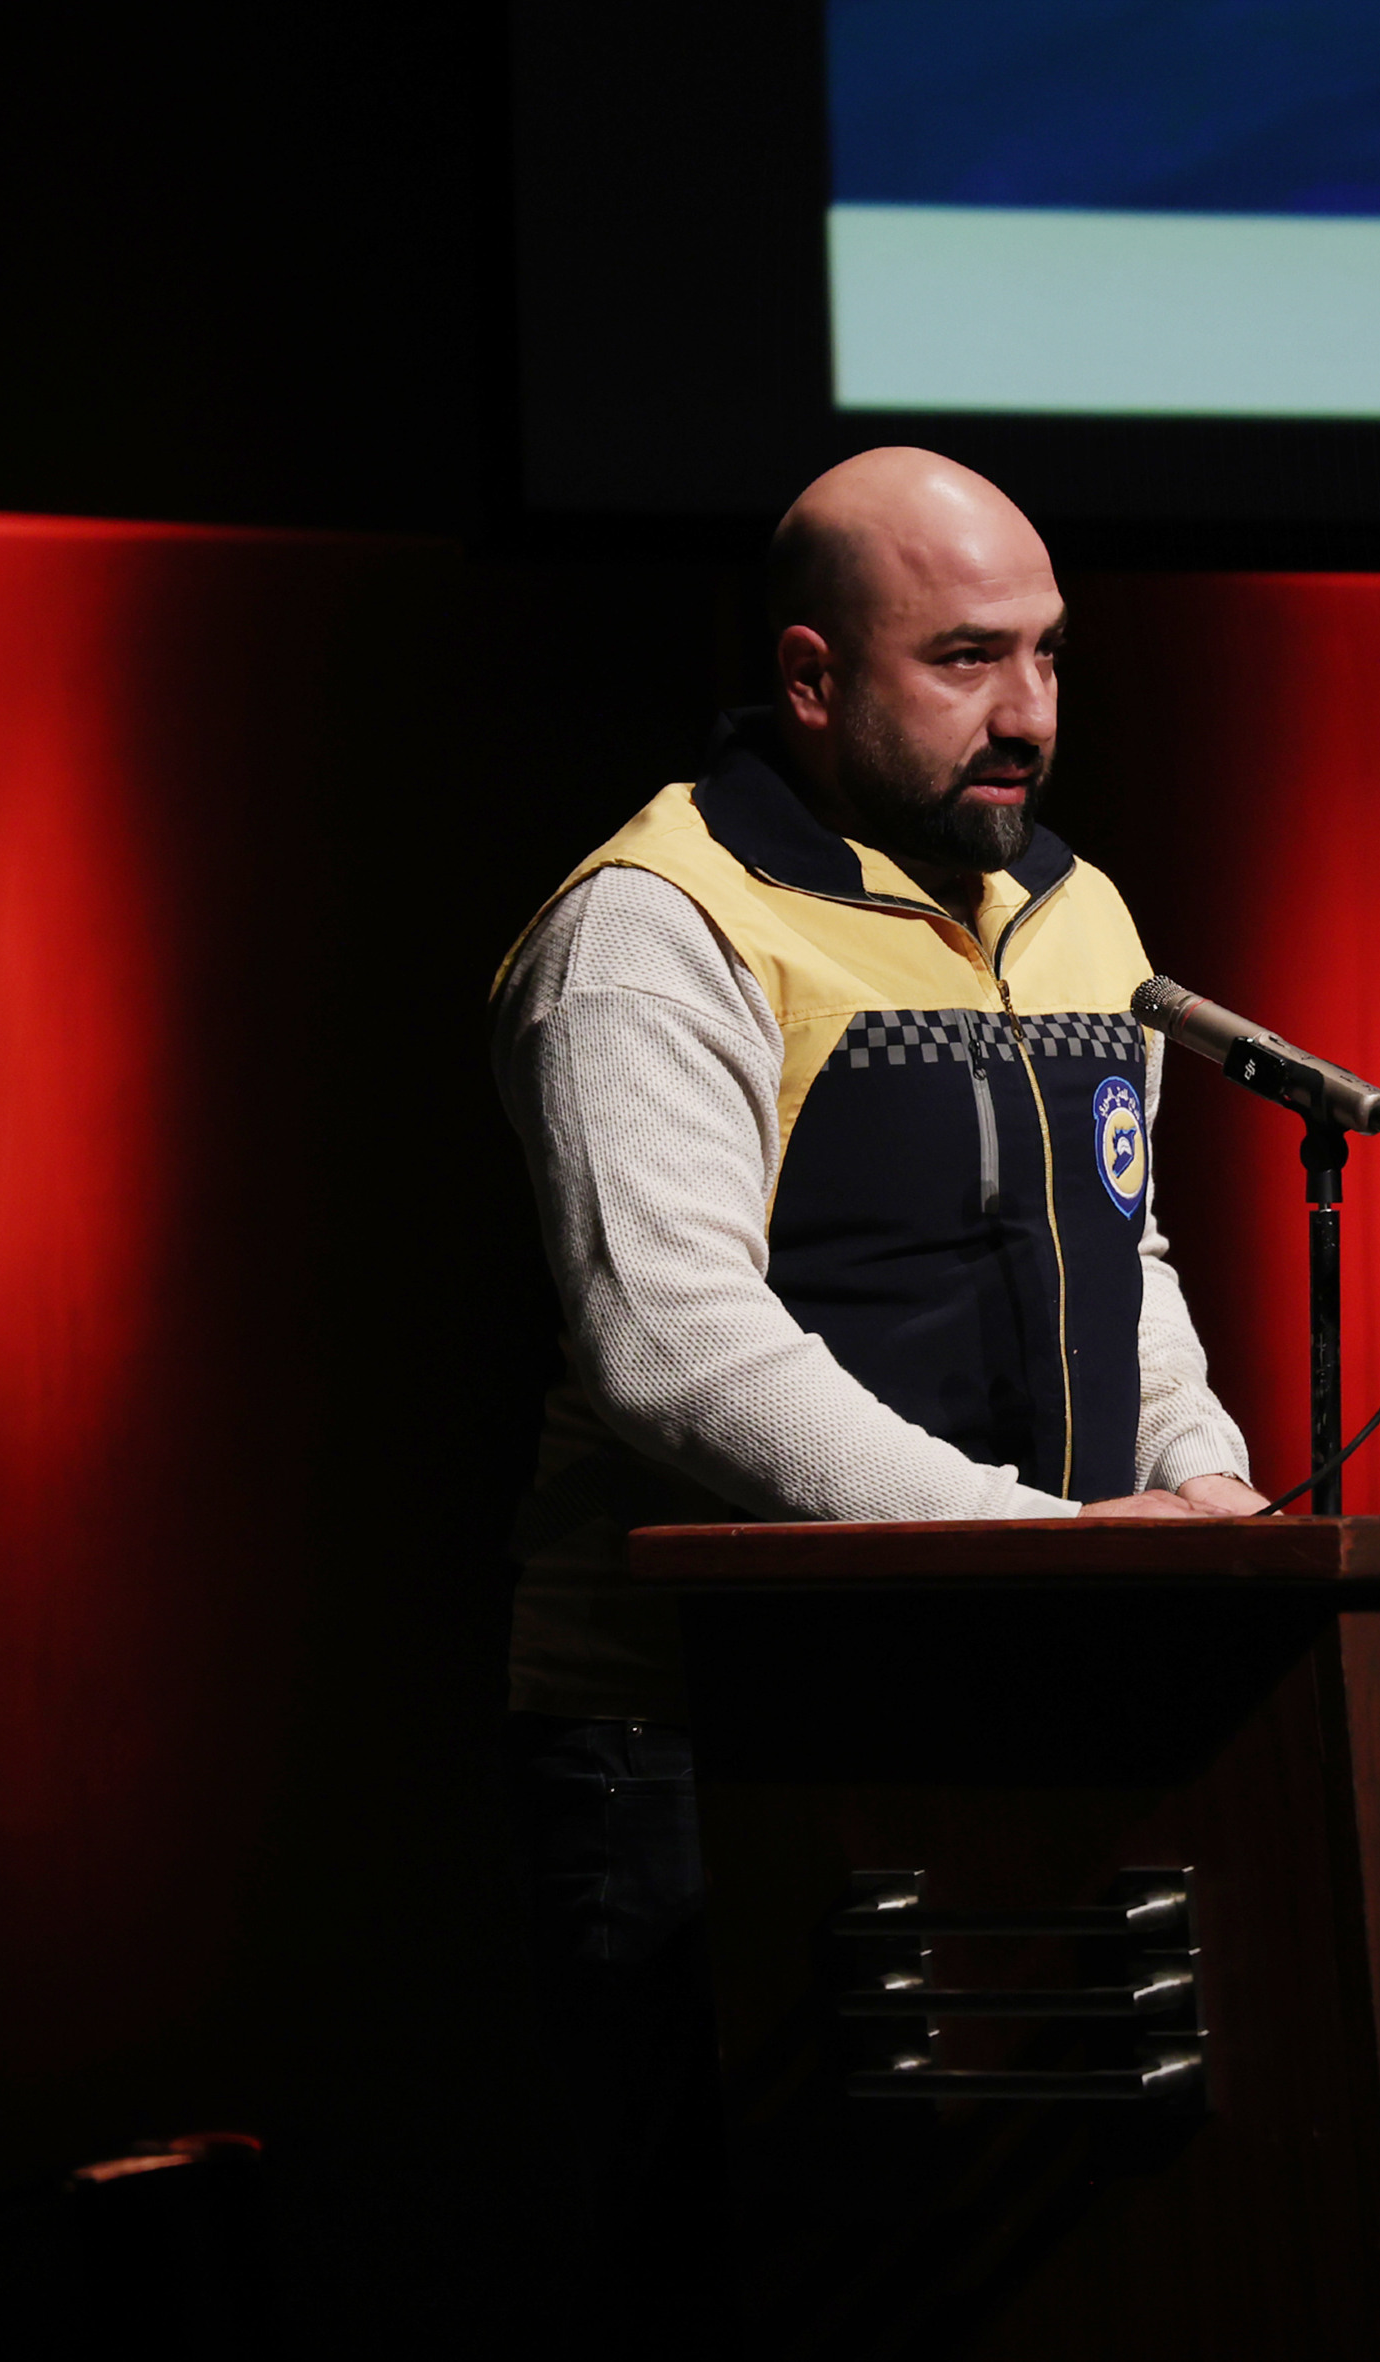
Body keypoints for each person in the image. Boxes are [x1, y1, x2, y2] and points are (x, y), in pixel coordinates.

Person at [485, 448, 1264, 2340]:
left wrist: (1202, 1482)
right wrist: (1044, 1548)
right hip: (701, 1743)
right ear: (813, 677)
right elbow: (673, 1342)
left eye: (1050, 656)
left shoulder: (1080, 911)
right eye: (967, 659)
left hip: (1012, 1702)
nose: (1030, 714)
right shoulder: (653, 923)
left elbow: (1128, 1260)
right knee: (725, 2284)